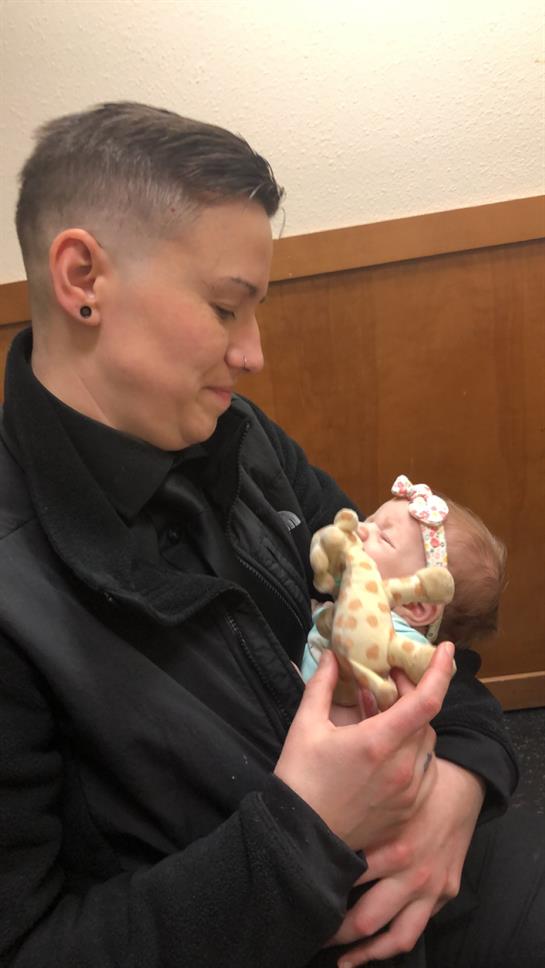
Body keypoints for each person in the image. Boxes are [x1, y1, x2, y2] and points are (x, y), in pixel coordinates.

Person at [0, 102, 543, 968]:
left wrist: (464, 785)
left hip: (430, 866)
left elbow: (427, 638)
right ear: (82, 279)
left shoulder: (241, 438)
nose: (253, 353)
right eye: (225, 308)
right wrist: (304, 832)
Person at [302, 475, 507, 711]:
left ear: (415, 604)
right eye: (370, 519)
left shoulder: (399, 653)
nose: (361, 528)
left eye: (385, 538)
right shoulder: (351, 609)